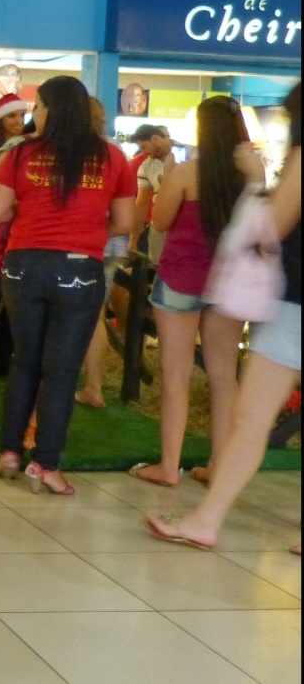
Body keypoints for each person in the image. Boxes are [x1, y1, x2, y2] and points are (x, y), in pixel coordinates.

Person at [144, 82, 301, 555]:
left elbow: (276, 223)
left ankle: (205, 518)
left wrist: (259, 186)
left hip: (290, 302)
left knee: (252, 414)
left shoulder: (189, 172)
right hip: (270, 301)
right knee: (234, 392)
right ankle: (205, 514)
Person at [0, 77, 136, 497]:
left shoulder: (21, 153)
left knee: (25, 361)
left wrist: (25, 211)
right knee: (61, 371)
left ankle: (9, 452)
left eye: (39, 106)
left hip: (23, 267)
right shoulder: (112, 156)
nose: (36, 114)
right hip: (80, 270)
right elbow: (124, 223)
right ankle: (45, 464)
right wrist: (83, 230)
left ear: (50, 109)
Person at [128, 98, 260, 486]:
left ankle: (169, 466)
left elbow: (162, 222)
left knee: (176, 375)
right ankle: (220, 467)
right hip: (228, 285)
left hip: (181, 280)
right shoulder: (250, 176)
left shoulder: (185, 172)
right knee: (224, 378)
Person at [76, 97, 129, 409]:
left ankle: (90, 386)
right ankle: (93, 385)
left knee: (81, 317)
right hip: (110, 245)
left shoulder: (78, 152)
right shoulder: (114, 151)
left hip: (87, 244)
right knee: (94, 316)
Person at [129, 124, 175, 262]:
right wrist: (133, 239)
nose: (143, 152)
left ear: (155, 139)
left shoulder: (188, 154)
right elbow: (141, 204)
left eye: (144, 147)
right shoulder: (146, 167)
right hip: (158, 228)